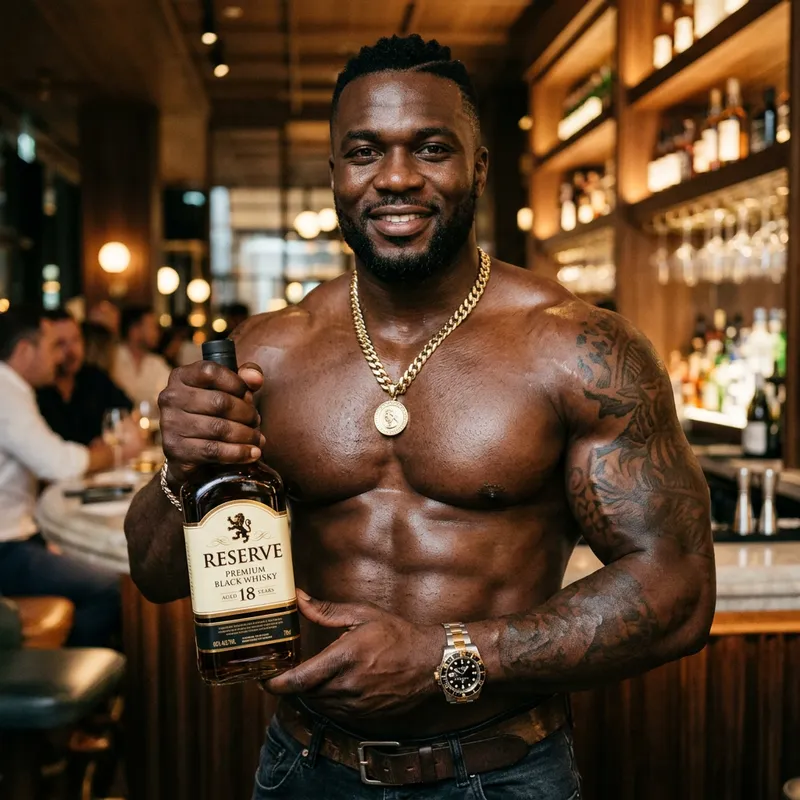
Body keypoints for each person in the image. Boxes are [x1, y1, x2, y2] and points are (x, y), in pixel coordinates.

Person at [125, 35, 715, 799]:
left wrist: (450, 656)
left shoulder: (577, 347)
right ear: (335, 173)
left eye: (430, 148)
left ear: (478, 166)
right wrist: (183, 467)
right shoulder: (266, 353)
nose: (396, 178)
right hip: (304, 767)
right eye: (365, 152)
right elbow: (156, 573)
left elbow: (678, 589)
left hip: (499, 774)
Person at [0, 307, 140, 647]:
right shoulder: (6, 393)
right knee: (111, 587)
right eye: (51, 347)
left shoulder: (13, 388)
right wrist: (115, 453)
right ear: (24, 351)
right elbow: (58, 463)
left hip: (19, 539)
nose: (57, 358)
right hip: (5, 550)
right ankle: (57, 676)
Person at [37, 309, 132, 446]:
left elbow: (127, 414)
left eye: (76, 340)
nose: (71, 351)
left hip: (104, 467)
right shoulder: (36, 388)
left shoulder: (94, 378)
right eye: (60, 343)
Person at [112, 306, 172, 408]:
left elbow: (172, 392)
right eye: (152, 327)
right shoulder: (112, 358)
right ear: (135, 330)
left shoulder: (156, 363)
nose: (157, 333)